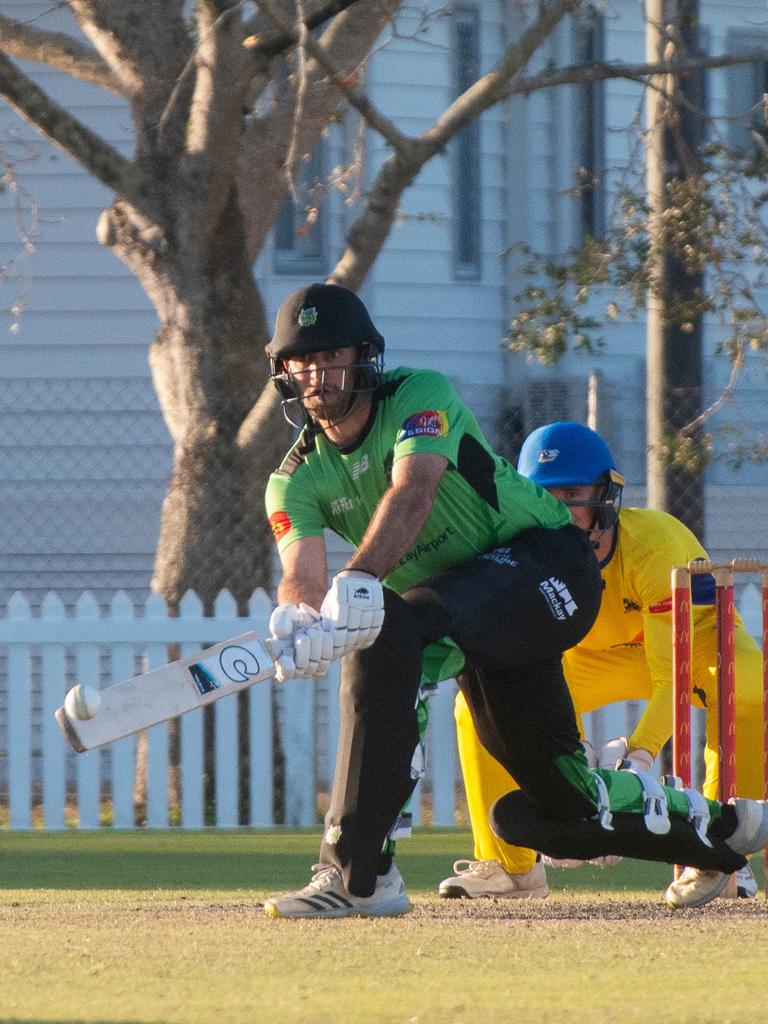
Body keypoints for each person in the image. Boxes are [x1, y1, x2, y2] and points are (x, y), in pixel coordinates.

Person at [261, 283, 768, 919]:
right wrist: (300, 617)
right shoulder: (292, 478)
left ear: (364, 355)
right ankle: (728, 829)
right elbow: (301, 572)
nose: (316, 373)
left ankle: (358, 874)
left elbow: (413, 492)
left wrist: (359, 579)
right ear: (282, 370)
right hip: (474, 612)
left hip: (543, 565)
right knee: (561, 805)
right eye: (300, 361)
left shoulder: (420, 394)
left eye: (330, 354)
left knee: (391, 632)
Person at [439, 421, 766, 909]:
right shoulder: (520, 549)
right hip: (589, 658)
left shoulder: (655, 544)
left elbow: (668, 677)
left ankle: (718, 854)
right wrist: (572, 772)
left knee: (748, 689)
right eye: (546, 495)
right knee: (474, 710)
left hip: (695, 649)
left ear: (607, 496)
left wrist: (638, 758)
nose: (562, 510)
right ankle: (511, 868)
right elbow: (526, 662)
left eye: (573, 493)